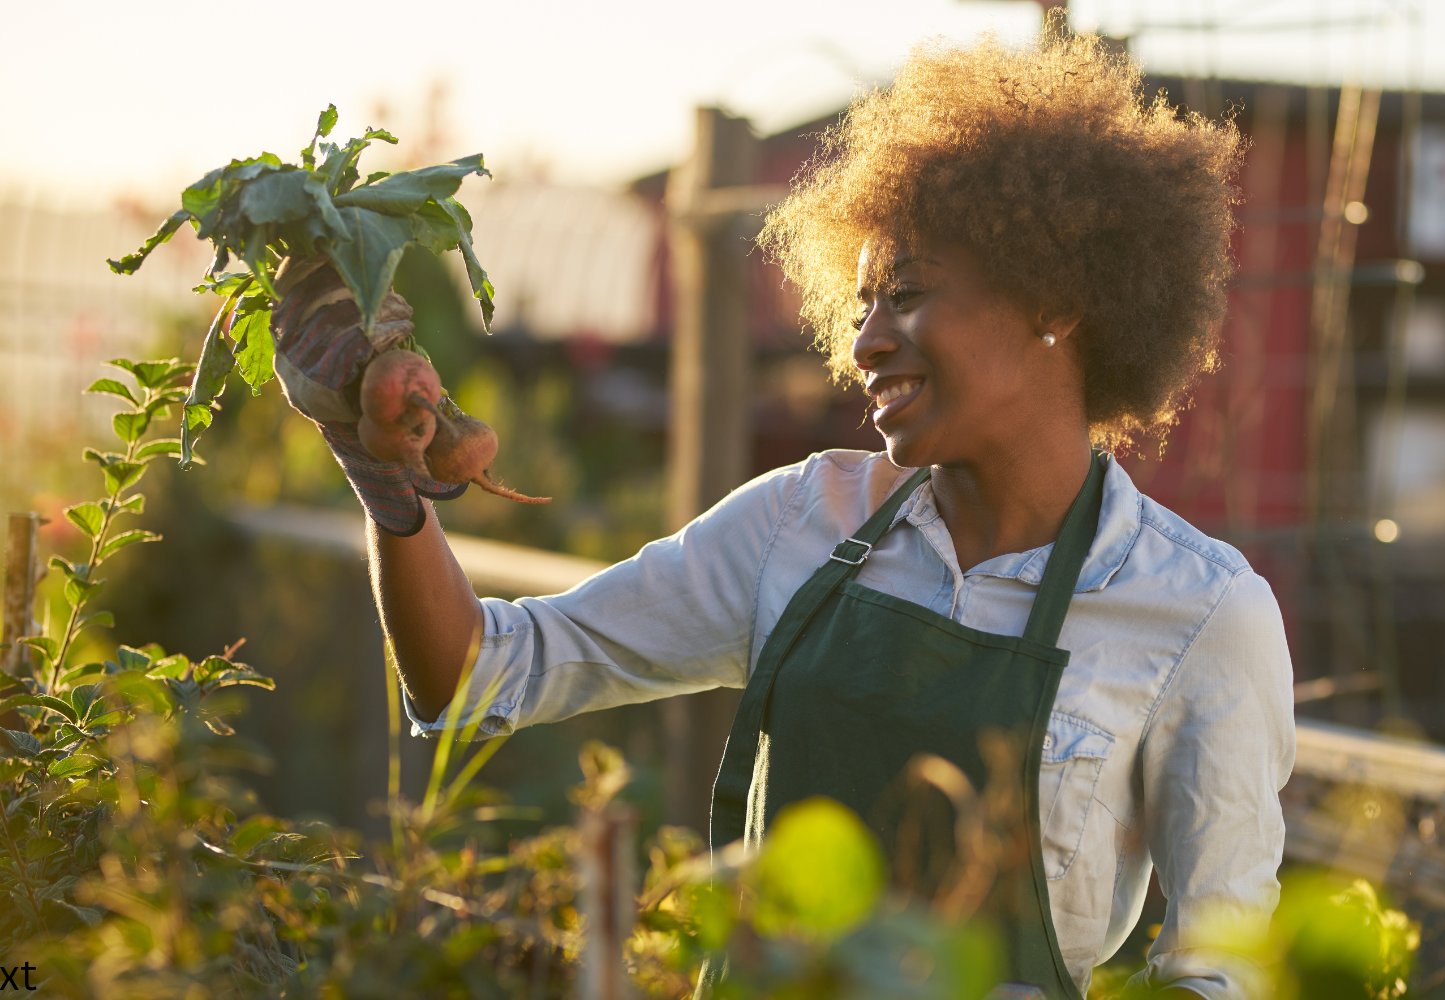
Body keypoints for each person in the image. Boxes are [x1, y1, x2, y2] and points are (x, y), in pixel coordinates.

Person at [272, 17, 1293, 1000]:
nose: (866, 345)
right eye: (859, 309)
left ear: (1056, 299)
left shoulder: (1199, 614)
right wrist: (384, 477)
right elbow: (479, 673)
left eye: (906, 294)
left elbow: (1225, 967)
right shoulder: (801, 522)